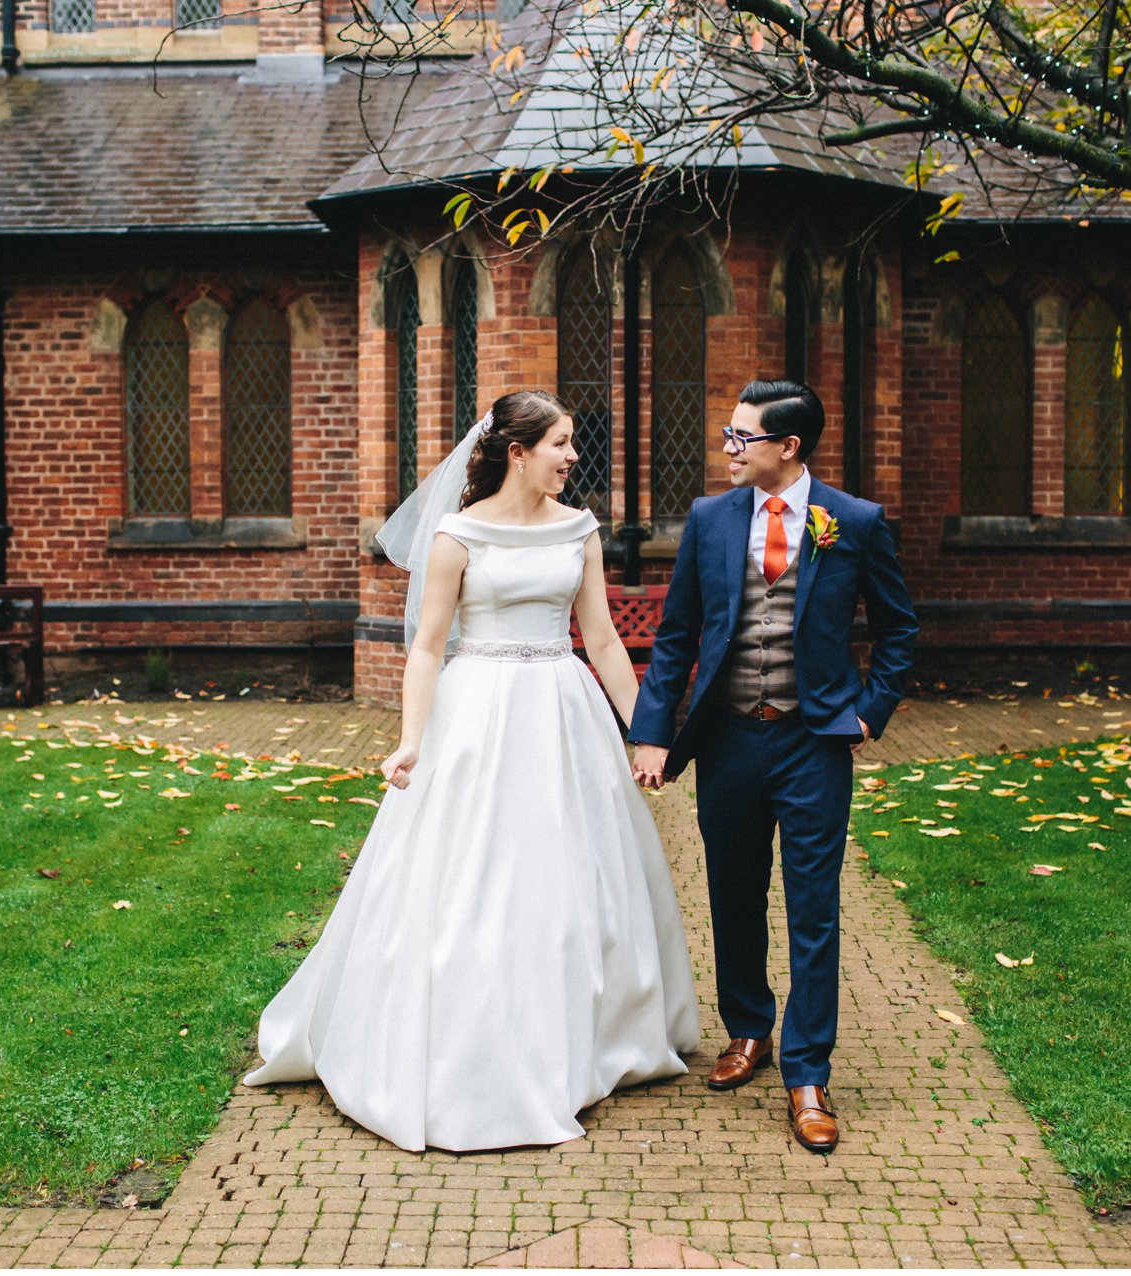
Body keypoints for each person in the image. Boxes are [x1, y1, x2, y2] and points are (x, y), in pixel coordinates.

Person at [242, 389, 699, 1153]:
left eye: (571, 443)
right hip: (477, 712)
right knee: (469, 877)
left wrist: (651, 730)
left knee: (569, 873)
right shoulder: (457, 535)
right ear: (517, 452)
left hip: (562, 710)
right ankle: (461, 1041)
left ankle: (583, 1036)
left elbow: (606, 642)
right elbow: (426, 647)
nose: (572, 457)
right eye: (559, 443)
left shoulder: (579, 530)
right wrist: (412, 739)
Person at [628, 378, 917, 1154]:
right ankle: (748, 1030)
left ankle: (808, 1073)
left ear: (788, 447)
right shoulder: (710, 520)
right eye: (727, 434)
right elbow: (678, 634)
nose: (727, 449)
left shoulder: (852, 522)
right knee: (733, 893)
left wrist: (869, 710)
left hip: (814, 741)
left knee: (814, 910)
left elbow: (899, 629)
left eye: (741, 438)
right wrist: (652, 732)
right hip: (728, 739)